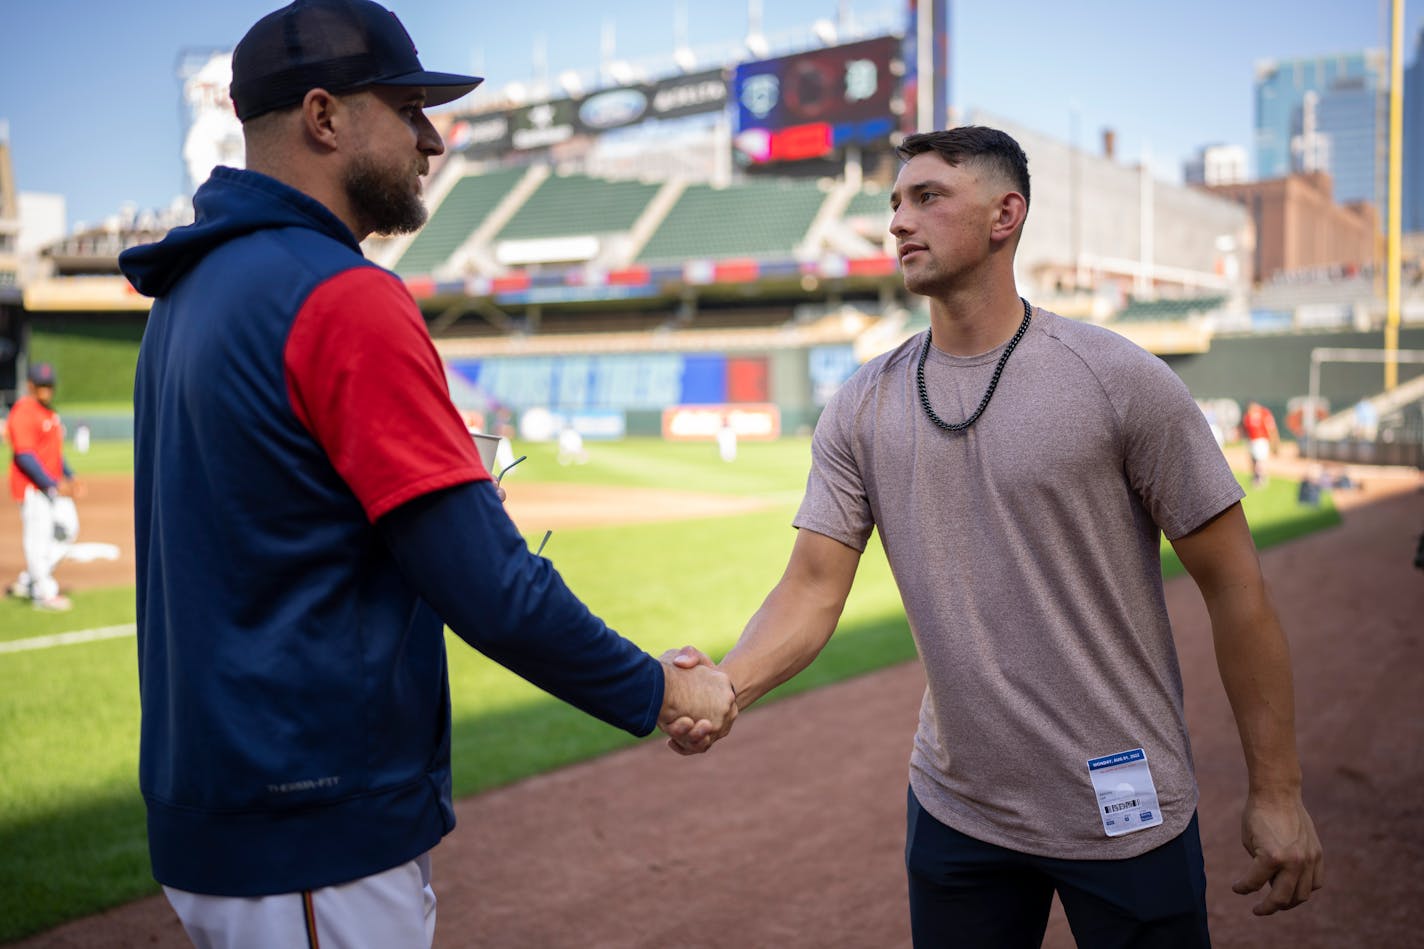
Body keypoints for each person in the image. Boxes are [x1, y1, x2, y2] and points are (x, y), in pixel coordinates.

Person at [116, 2, 734, 946]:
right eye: (407, 108)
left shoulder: (187, 295)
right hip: (310, 819)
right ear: (324, 117)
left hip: (221, 803)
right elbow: (484, 582)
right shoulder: (342, 296)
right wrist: (657, 687)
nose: (433, 139)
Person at [669, 127, 1323, 947]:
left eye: (929, 197)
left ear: (1005, 214)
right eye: (896, 203)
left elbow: (1236, 585)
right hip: (957, 810)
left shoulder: (1119, 380)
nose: (900, 222)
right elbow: (811, 584)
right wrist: (731, 684)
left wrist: (1277, 789)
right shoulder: (861, 405)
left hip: (1123, 806)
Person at [5, 362, 82, 612]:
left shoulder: (48, 412)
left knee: (69, 527)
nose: (46, 389)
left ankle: (30, 580)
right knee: (37, 539)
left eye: (49, 385)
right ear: (30, 385)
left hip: (50, 487)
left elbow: (54, 454)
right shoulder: (24, 410)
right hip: (32, 487)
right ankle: (44, 594)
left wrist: (70, 475)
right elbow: (25, 455)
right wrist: (53, 483)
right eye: (41, 384)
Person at [1242, 399, 1280, 487]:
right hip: (1251, 441)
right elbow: (1246, 430)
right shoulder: (1247, 416)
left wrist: (1275, 443)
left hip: (1261, 440)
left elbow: (1271, 429)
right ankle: (1256, 477)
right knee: (1253, 461)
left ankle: (1261, 479)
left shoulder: (1264, 413)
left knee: (1260, 461)